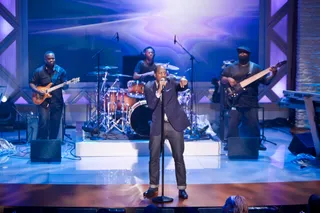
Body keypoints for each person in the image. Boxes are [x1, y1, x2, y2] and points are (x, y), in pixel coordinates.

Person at [143, 65, 190, 199]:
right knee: (154, 157)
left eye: (164, 73)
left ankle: (182, 188)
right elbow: (151, 105)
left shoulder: (171, 81)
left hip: (174, 124)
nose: (163, 75)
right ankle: (153, 186)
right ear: (155, 74)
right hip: (158, 124)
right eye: (160, 73)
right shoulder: (148, 86)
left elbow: (181, 86)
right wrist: (159, 90)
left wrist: (183, 83)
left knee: (179, 157)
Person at [221, 46, 277, 151]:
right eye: (240, 53)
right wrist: (228, 78)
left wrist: (274, 74)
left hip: (250, 100)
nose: (242, 54)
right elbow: (222, 79)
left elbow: (266, 82)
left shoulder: (255, 68)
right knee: (233, 123)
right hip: (235, 100)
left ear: (249, 54)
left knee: (254, 123)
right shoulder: (231, 67)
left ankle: (257, 142)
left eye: (244, 53)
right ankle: (230, 142)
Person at [29, 51, 68, 139]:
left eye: (53, 58)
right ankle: (42, 143)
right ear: (45, 59)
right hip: (42, 100)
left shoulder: (61, 71)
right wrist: (38, 91)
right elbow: (31, 83)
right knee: (43, 122)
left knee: (55, 123)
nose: (51, 60)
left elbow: (65, 86)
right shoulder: (38, 71)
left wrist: (65, 85)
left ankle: (52, 144)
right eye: (49, 59)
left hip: (57, 101)